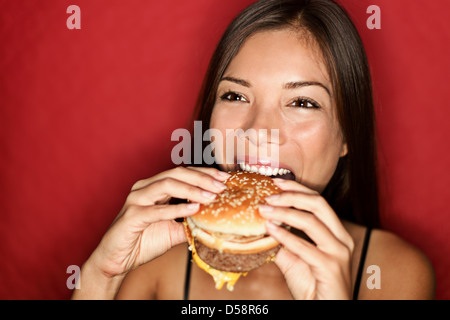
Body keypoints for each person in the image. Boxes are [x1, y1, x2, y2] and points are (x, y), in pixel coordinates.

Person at [72, 0, 435, 300]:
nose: (258, 131)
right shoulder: (154, 262)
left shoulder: (392, 274)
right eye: (235, 95)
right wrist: (100, 277)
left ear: (347, 138)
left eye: (303, 102)